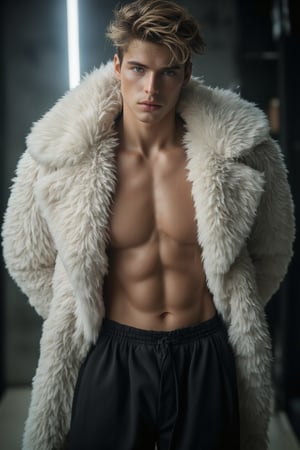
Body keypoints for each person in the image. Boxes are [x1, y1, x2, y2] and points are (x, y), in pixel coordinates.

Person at [1, 0, 295, 449]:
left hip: (204, 353)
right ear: (117, 66)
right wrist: (77, 305)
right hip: (111, 355)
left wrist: (233, 303)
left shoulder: (241, 154)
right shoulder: (63, 157)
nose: (150, 88)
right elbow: (24, 252)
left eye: (168, 72)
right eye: (138, 69)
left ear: (188, 73)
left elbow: (273, 249)